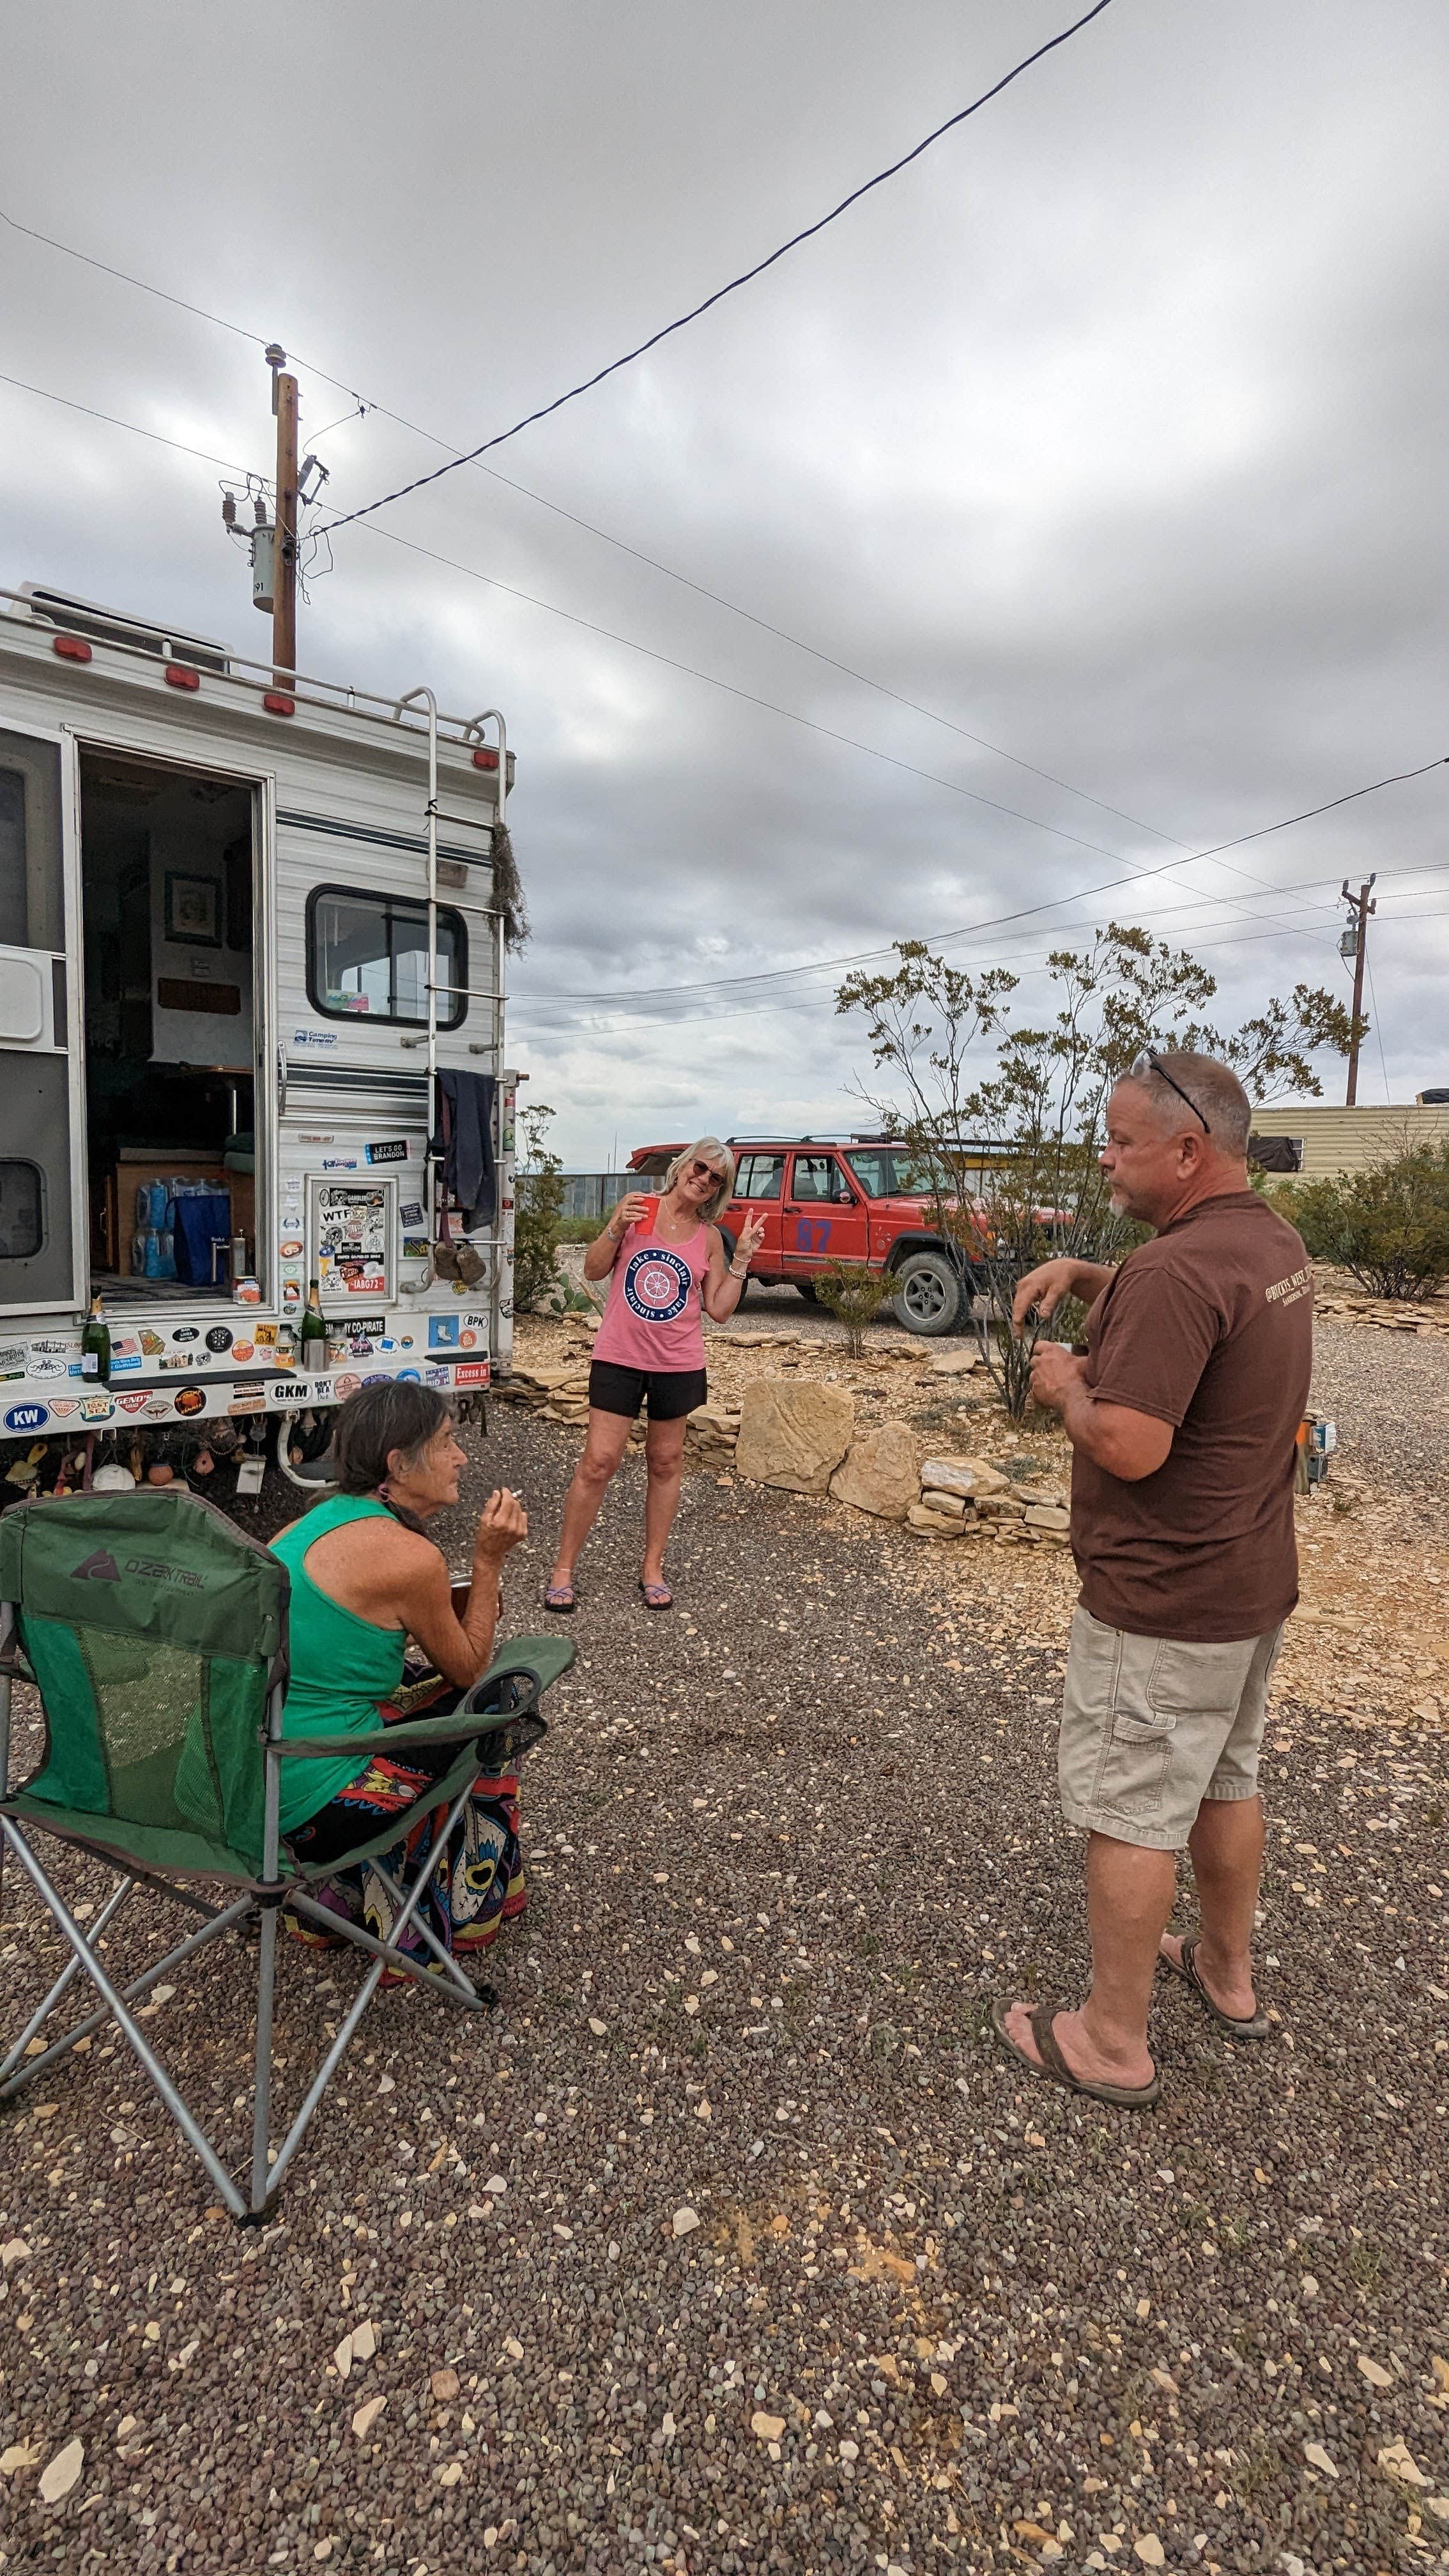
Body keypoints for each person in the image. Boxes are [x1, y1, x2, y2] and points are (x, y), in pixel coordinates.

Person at [993, 1050, 1312, 2108]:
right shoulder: (1264, 1240)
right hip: (1247, 1582)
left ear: (1185, 1150)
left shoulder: (1176, 1272)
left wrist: (1064, 1386)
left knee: (1130, 1811)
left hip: (1165, 1601)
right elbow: (1195, 1315)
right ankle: (1224, 1973)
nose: (1103, 1156)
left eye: (1121, 1141)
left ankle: (1110, 2042)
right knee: (1226, 1780)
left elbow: (1129, 1442)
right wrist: (1095, 1279)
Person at [270, 1381, 528, 1983]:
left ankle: (333, 1899)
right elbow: (467, 1667)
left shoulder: (306, 1526)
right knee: (495, 1706)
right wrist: (488, 1563)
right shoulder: (409, 1557)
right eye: (447, 1441)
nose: (462, 1456)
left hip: (242, 1778)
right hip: (310, 1794)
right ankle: (437, 1911)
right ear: (398, 1463)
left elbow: (337, 1642)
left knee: (412, 1681)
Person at [545, 1138, 764, 1611]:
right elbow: (594, 1269)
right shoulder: (636, 1209)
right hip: (619, 1355)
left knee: (665, 1464)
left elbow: (720, 1310)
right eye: (701, 1168)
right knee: (599, 1462)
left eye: (715, 1178)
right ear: (684, 1166)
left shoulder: (709, 1238)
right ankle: (563, 1568)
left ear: (718, 1191)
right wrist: (611, 1228)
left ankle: (652, 1567)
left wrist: (743, 1257)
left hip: (677, 1363)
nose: (704, 1179)